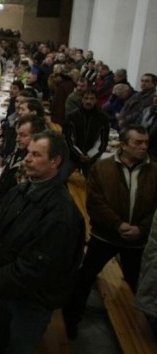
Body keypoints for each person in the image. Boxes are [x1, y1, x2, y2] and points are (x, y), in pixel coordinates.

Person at [0, 130, 85, 354]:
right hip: (6, 290)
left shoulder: (62, 215)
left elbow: (35, 269)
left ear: (55, 162)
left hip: (29, 303)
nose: (26, 158)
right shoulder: (22, 189)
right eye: (28, 153)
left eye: (36, 155)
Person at [63, 124, 157, 338]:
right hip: (105, 236)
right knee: (84, 278)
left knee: (140, 283)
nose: (143, 147)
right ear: (123, 145)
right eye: (138, 143)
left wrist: (141, 229)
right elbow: (95, 203)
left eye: (146, 143)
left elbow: (155, 209)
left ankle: (148, 329)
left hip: (138, 241)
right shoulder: (102, 168)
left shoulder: (154, 172)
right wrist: (118, 225)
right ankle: (70, 321)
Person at [0, 115, 47, 215]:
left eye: (23, 135)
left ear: (36, 136)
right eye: (17, 134)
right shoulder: (18, 152)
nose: (17, 139)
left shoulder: (36, 166)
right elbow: (5, 178)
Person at [62, 89, 110, 178]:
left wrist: (90, 155)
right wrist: (78, 155)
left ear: (96, 100)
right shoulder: (71, 116)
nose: (89, 101)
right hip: (72, 156)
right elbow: (67, 138)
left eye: (92, 99)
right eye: (86, 98)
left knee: (94, 184)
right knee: (59, 178)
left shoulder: (103, 118)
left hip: (91, 158)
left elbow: (103, 141)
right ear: (82, 99)